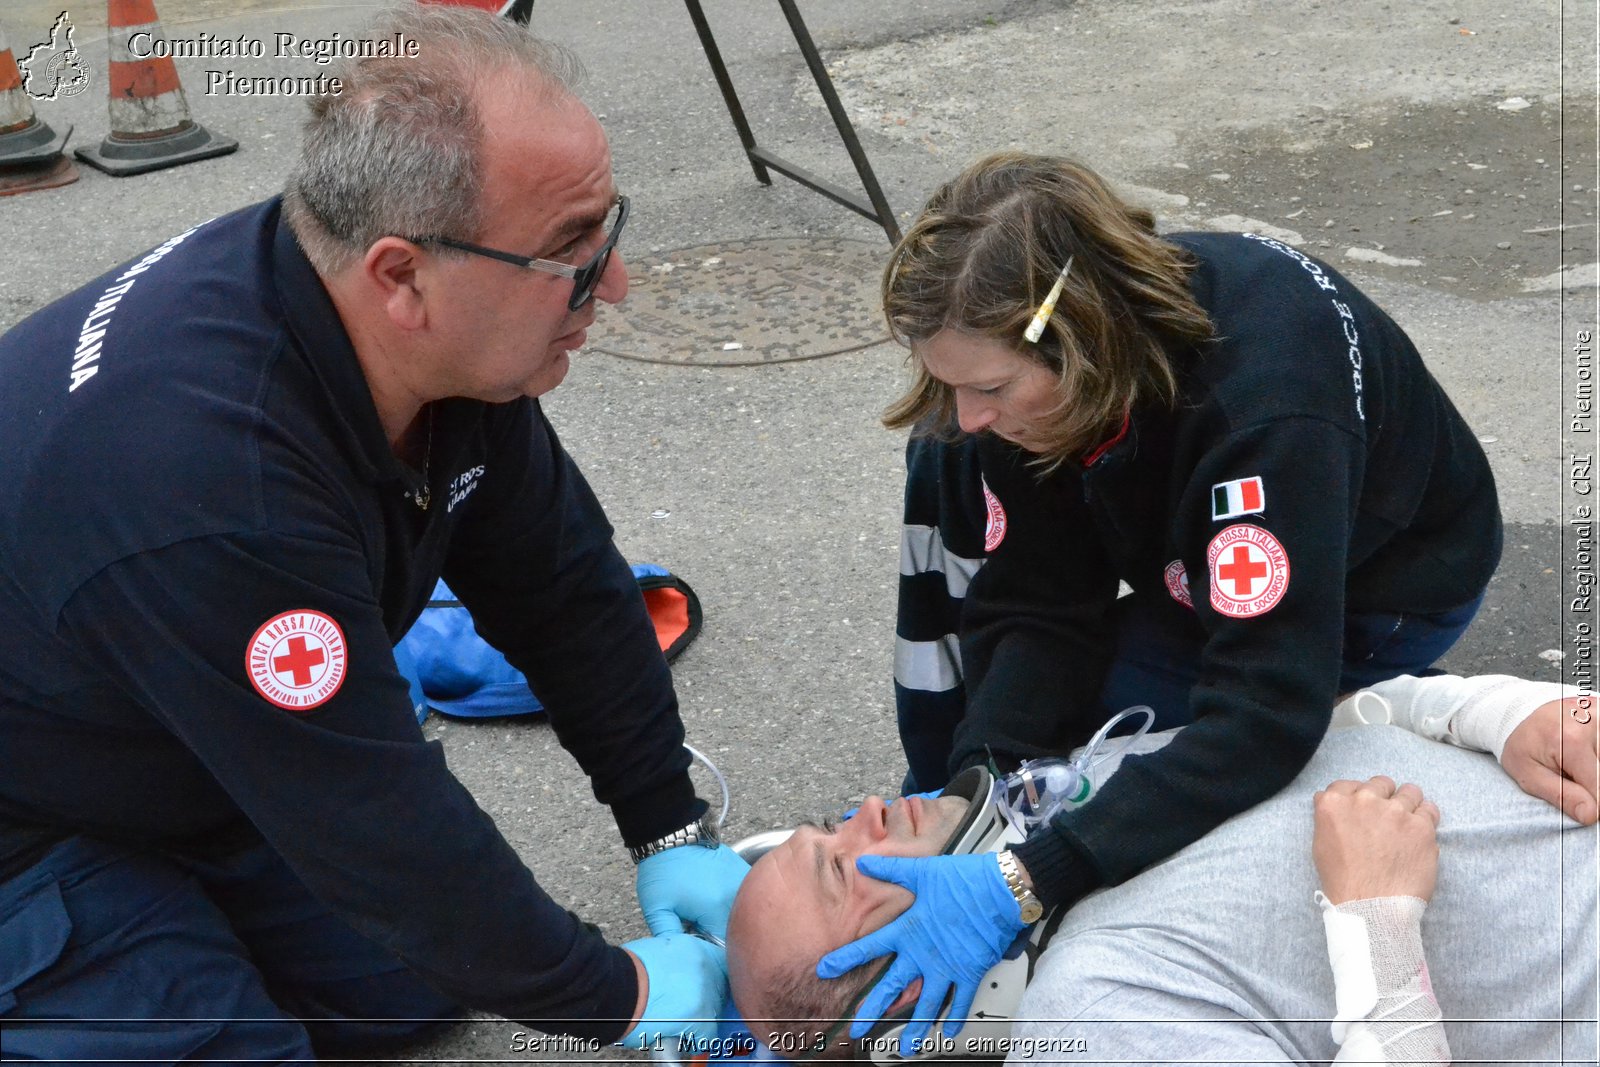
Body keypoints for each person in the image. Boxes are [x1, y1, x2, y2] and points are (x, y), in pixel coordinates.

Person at [0, 6, 747, 1060]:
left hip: (167, 737)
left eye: (606, 230)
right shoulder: (215, 485)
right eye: (571, 253)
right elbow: (374, 822)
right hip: (21, 825)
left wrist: (666, 824)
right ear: (401, 275)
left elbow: (563, 584)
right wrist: (613, 994)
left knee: (407, 989)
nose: (611, 285)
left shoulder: (413, 330)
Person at [829, 151, 1505, 1041]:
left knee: (1161, 766)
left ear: (1077, 336)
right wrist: (984, 784)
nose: (969, 414)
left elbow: (1262, 711)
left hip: (1384, 589)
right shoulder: (1044, 352)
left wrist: (1035, 874)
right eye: (954, 382)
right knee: (955, 492)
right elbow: (1038, 603)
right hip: (1196, 545)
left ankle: (1380, 700)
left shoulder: (1265, 411)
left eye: (988, 388)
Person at [727, 675, 1598, 1063]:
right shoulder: (1093, 1021)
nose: (864, 814)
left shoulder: (1064, 807)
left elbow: (1326, 723)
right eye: (841, 869)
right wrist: (1379, 922)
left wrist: (1495, 709)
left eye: (826, 828)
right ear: (904, 1000)